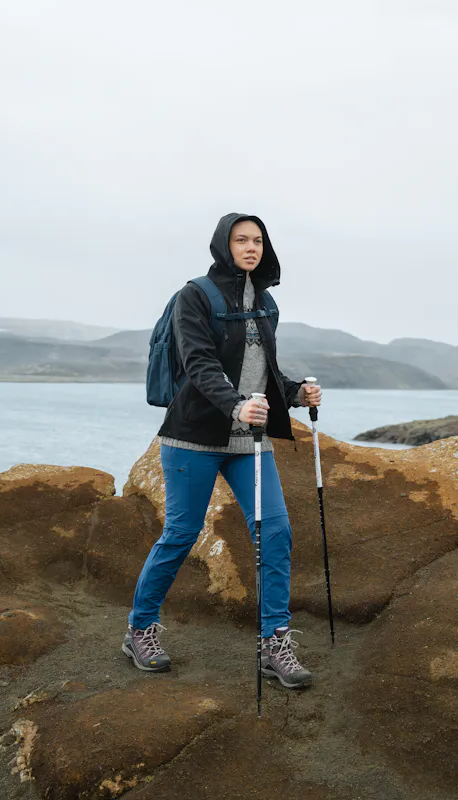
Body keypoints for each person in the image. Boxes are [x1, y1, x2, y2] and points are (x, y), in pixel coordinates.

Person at [123, 212, 321, 689]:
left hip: (248, 441)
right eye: (240, 240)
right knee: (180, 535)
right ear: (223, 245)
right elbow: (199, 362)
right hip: (193, 436)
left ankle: (275, 642)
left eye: (257, 240)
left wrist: (295, 393)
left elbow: (263, 372)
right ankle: (139, 629)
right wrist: (235, 405)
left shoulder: (267, 303)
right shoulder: (195, 296)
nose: (250, 247)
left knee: (275, 532)